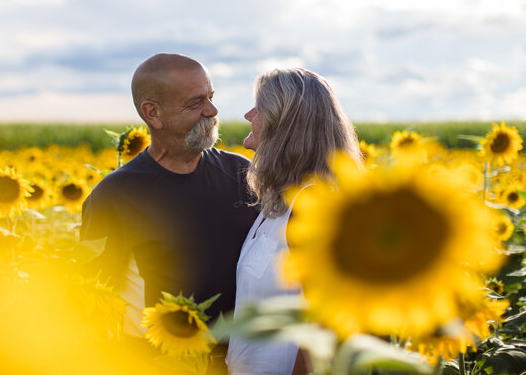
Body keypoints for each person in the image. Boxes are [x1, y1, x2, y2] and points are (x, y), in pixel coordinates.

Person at [80, 53, 259, 369]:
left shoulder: (242, 174)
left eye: (211, 97)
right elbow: (93, 296)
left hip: (242, 362)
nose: (212, 111)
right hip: (157, 363)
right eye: (195, 103)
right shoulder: (114, 196)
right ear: (153, 113)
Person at [226, 68, 360, 375]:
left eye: (258, 108)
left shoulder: (313, 205)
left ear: (282, 123)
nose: (248, 114)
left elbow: (327, 325)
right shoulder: (280, 202)